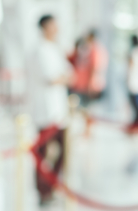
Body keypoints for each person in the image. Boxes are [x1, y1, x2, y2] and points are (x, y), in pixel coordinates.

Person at [27, 15, 73, 205]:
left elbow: (70, 75)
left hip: (58, 111)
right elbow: (53, 78)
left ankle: (52, 186)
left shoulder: (54, 49)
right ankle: (43, 191)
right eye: (54, 25)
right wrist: (62, 78)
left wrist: (63, 77)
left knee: (63, 150)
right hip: (45, 111)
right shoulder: (38, 51)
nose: (57, 29)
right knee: (43, 153)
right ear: (46, 27)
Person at [69, 30, 109, 105]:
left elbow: (94, 68)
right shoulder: (93, 48)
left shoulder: (95, 50)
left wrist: (90, 85)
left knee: (81, 106)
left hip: (87, 86)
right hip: (82, 84)